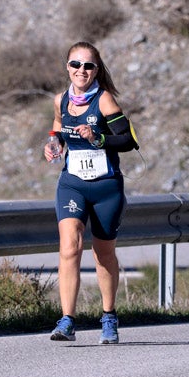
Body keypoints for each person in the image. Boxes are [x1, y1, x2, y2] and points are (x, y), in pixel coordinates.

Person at [43, 41, 139, 343]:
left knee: (102, 252)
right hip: (72, 183)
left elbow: (128, 140)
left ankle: (108, 316)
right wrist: (53, 144)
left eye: (88, 66)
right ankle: (67, 320)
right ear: (67, 67)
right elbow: (58, 127)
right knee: (69, 246)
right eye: (75, 64)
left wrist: (99, 139)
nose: (81, 70)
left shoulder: (105, 100)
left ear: (97, 70)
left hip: (106, 187)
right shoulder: (60, 100)